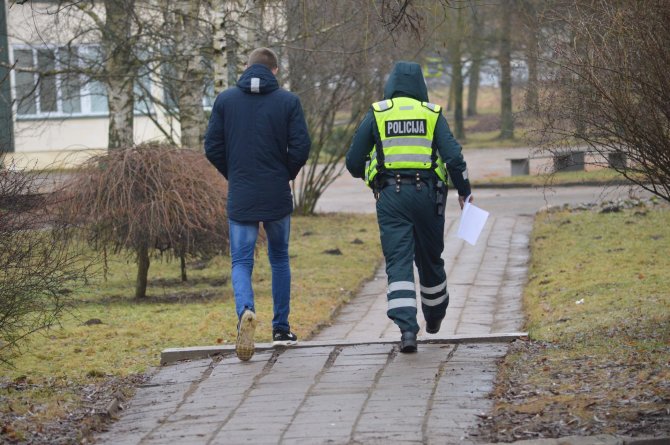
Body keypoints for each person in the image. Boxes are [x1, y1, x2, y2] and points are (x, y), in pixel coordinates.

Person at [345, 61, 472, 353]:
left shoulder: (377, 113)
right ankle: (435, 316)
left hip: (391, 197)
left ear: (390, 85)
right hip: (428, 196)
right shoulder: (432, 114)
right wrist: (464, 191)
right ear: (421, 87)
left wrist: (372, 174)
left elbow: (353, 162)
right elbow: (453, 157)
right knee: (430, 258)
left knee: (398, 260)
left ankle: (407, 331)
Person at [204, 47, 311, 361]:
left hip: (243, 194)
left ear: (246, 68)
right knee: (279, 259)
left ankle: (246, 312)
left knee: (241, 261)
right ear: (274, 70)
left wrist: (234, 174)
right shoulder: (288, 102)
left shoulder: (225, 101)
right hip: (276, 193)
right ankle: (281, 328)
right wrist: (284, 173)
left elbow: (212, 146)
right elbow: (301, 146)